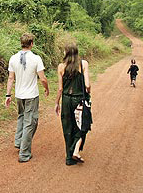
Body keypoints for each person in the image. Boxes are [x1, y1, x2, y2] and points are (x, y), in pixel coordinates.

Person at [5, 33, 49, 163]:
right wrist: (46, 88)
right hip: (31, 95)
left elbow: (10, 78)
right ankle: (24, 153)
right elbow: (43, 78)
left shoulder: (13, 58)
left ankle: (19, 141)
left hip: (19, 95)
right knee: (31, 122)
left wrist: (8, 95)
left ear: (21, 43)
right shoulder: (36, 58)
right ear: (31, 44)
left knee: (21, 117)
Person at [55, 43, 91, 166]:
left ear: (66, 53)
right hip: (79, 99)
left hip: (66, 100)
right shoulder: (83, 64)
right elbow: (87, 85)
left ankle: (69, 158)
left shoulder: (61, 66)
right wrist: (88, 94)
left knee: (67, 127)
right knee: (82, 125)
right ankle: (74, 150)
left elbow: (60, 89)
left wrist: (57, 103)